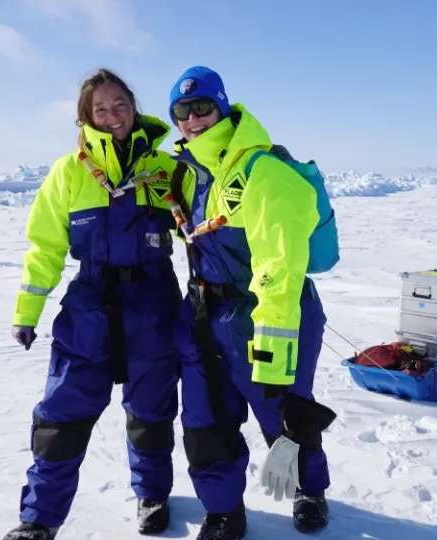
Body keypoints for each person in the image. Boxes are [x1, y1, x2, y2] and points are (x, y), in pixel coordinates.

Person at [2, 68, 185, 540]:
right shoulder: (69, 172)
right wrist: (27, 312)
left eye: (119, 103)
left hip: (154, 302)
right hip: (89, 306)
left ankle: (152, 493)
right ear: (86, 117)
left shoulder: (164, 169)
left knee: (151, 411)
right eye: (99, 108)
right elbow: (45, 248)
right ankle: (38, 520)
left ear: (133, 106)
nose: (111, 115)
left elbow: (208, 224)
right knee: (61, 414)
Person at [165, 66, 337, 540]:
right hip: (204, 317)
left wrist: (275, 363)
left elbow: (279, 271)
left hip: (269, 316)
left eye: (203, 107)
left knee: (284, 416)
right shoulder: (186, 173)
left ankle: (309, 490)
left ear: (223, 105)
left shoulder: (264, 171)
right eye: (183, 111)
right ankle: (223, 511)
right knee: (205, 422)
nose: (194, 118)